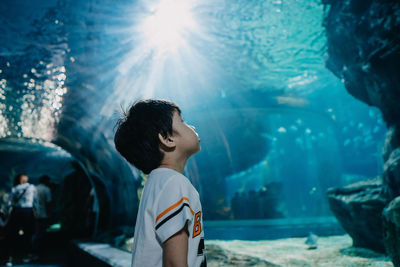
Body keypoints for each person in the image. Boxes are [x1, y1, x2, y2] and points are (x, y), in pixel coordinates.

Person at [114, 99, 206, 267]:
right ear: (167, 138)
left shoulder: (157, 182)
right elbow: (173, 263)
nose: (191, 127)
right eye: (182, 121)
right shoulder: (174, 183)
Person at [5, 173, 37, 265]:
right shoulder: (32, 187)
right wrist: (37, 212)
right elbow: (36, 201)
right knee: (28, 234)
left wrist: (6, 213)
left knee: (12, 234)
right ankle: (28, 255)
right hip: (28, 211)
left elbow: (9, 203)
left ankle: (10, 257)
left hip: (17, 211)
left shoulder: (14, 189)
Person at [32, 175, 52, 255]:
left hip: (35, 214)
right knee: (42, 233)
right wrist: (49, 213)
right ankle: (41, 250)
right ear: (46, 181)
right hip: (44, 214)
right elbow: (48, 202)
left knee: (36, 232)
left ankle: (34, 249)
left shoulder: (34, 189)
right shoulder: (46, 189)